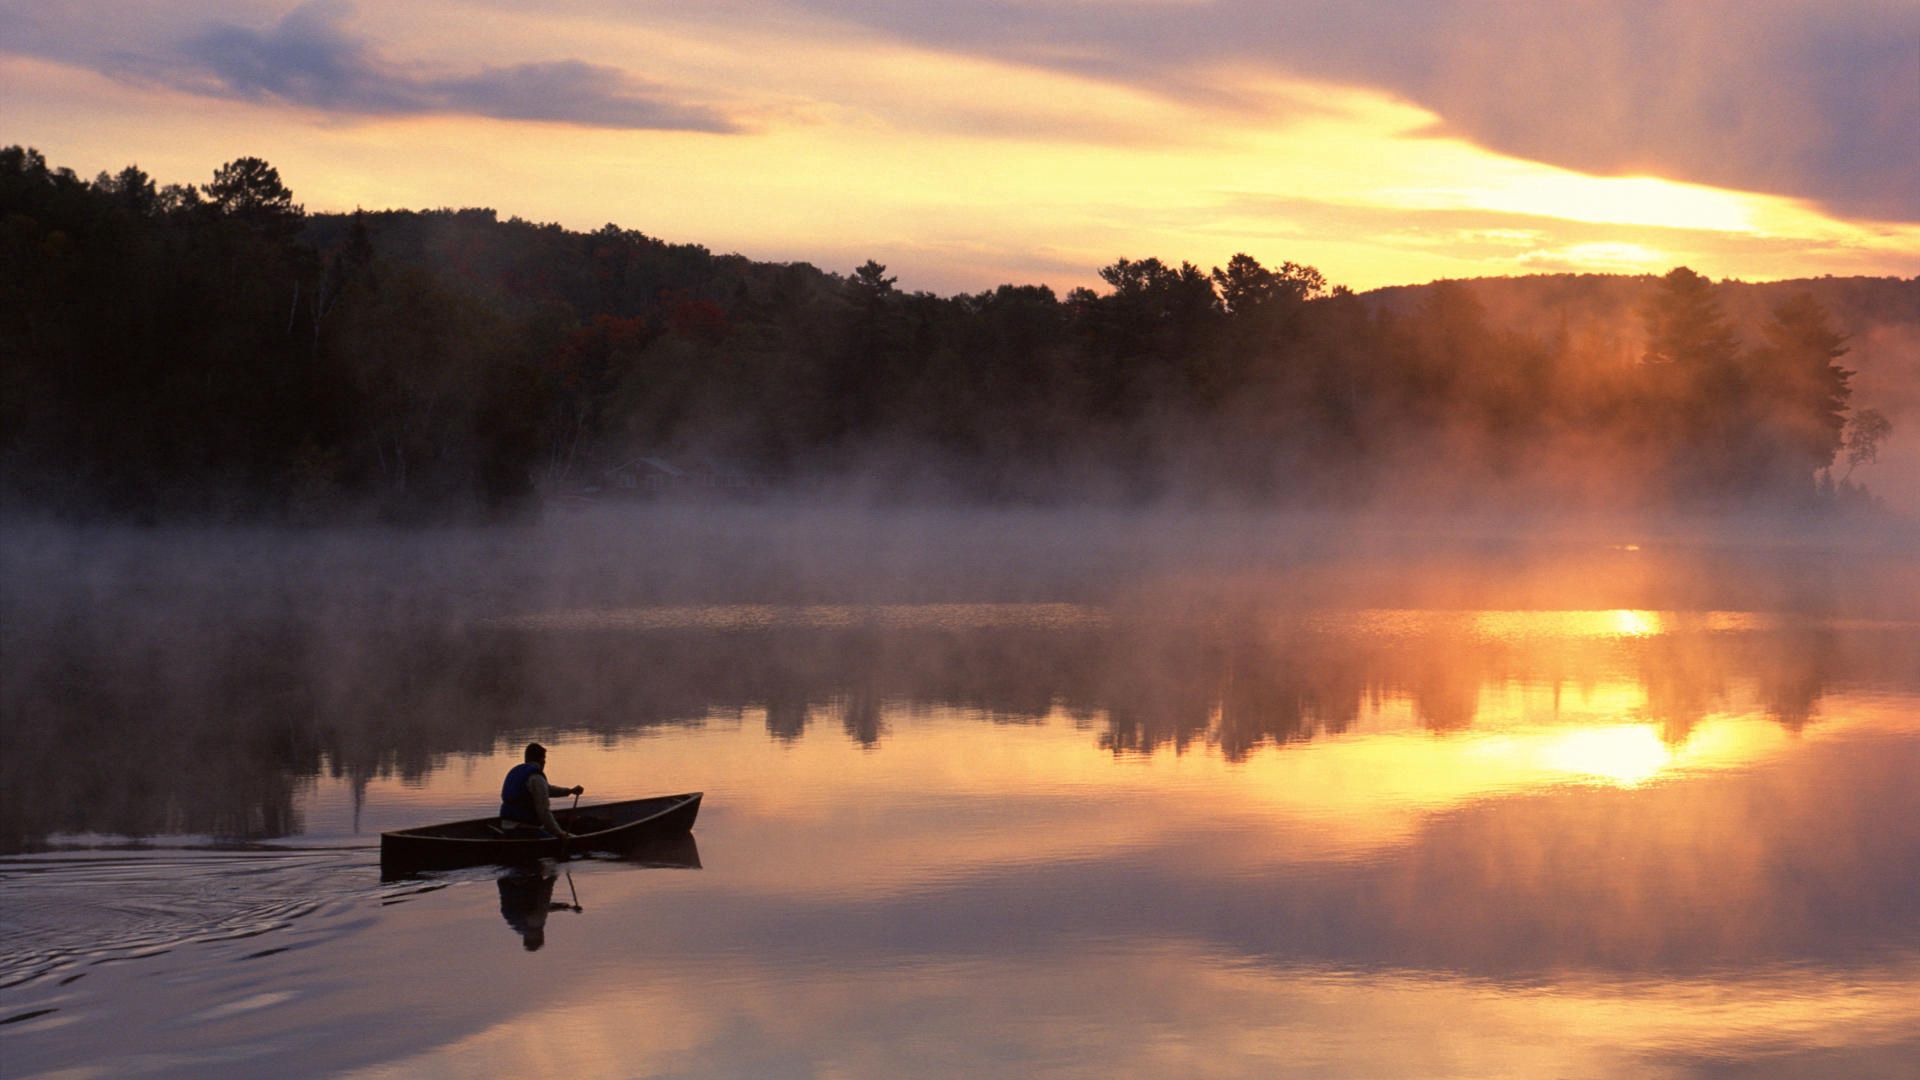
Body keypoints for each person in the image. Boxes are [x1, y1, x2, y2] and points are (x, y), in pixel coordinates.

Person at [499, 742, 583, 839]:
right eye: (544, 759)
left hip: (505, 826)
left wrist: (570, 791)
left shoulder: (515, 772)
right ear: (541, 760)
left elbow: (547, 790)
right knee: (568, 836)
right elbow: (544, 811)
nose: (545, 762)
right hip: (524, 830)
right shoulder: (536, 777)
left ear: (526, 758)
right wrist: (560, 833)